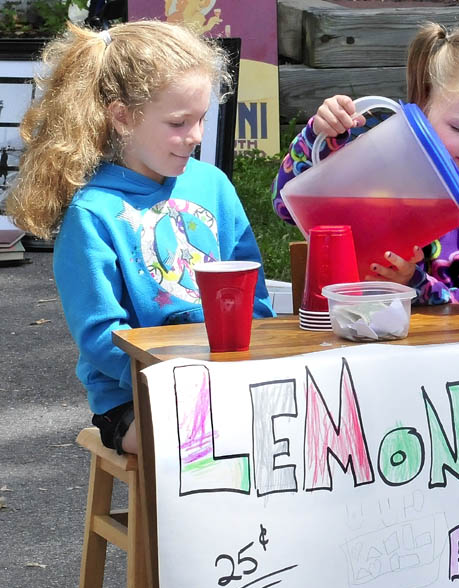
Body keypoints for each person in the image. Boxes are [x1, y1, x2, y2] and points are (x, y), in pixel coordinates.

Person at [7, 20, 274, 455]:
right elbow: (101, 338)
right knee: (203, 445)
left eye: (202, 118)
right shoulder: (93, 213)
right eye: (177, 122)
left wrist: (255, 366)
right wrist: (182, 381)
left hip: (228, 377)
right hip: (133, 397)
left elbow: (253, 297)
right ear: (123, 117)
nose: (196, 136)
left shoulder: (214, 185)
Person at [271, 22, 459, 305]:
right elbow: (287, 207)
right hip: (353, 321)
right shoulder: (384, 167)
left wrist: (415, 284)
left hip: (448, 346)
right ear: (423, 105)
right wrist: (318, 135)